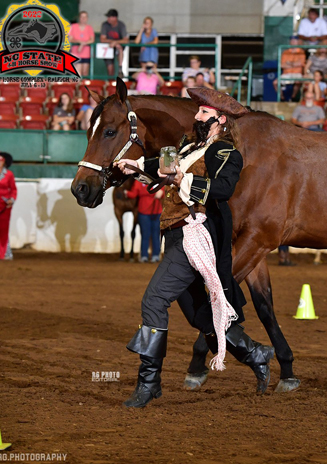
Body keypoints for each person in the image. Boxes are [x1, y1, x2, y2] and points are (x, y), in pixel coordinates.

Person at [114, 88, 274, 407]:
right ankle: (256, 353)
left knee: (154, 300)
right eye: (198, 111)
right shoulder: (188, 146)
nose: (197, 116)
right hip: (174, 234)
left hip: (194, 235)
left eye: (203, 113)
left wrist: (178, 180)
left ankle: (149, 382)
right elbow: (164, 173)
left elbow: (224, 189)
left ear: (220, 119)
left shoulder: (225, 151)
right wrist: (137, 169)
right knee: (202, 316)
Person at [125, 181, 163, 263]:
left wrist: (162, 193)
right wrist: (126, 192)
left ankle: (155, 255)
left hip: (156, 211)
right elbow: (134, 194)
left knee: (155, 234)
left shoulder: (158, 181)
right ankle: (144, 255)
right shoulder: (139, 181)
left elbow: (164, 192)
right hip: (144, 212)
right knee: (145, 234)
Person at [274, 36, 306, 101]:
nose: (293, 42)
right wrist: (294, 64)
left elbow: (301, 63)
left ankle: (293, 97)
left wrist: (289, 63)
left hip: (297, 73)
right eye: (292, 40)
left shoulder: (301, 52)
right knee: (275, 83)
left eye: (295, 40)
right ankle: (282, 97)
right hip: (286, 73)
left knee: (298, 81)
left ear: (298, 42)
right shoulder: (285, 52)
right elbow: (282, 65)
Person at [100, 9, 129, 78]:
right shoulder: (105, 25)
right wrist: (113, 42)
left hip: (118, 47)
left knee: (119, 48)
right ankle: (111, 84)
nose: (108, 19)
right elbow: (102, 39)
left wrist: (115, 43)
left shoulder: (121, 25)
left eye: (109, 17)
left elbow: (126, 40)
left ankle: (120, 69)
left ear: (114, 18)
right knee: (110, 69)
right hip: (108, 48)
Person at [68, 11, 95, 77]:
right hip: (76, 54)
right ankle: (77, 87)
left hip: (87, 54)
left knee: (85, 73)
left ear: (87, 18)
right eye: (82, 17)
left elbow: (92, 40)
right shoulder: (73, 26)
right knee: (78, 74)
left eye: (85, 17)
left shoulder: (89, 28)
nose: (83, 18)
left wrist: (83, 43)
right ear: (79, 18)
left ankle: (84, 87)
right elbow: (70, 39)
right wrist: (79, 41)